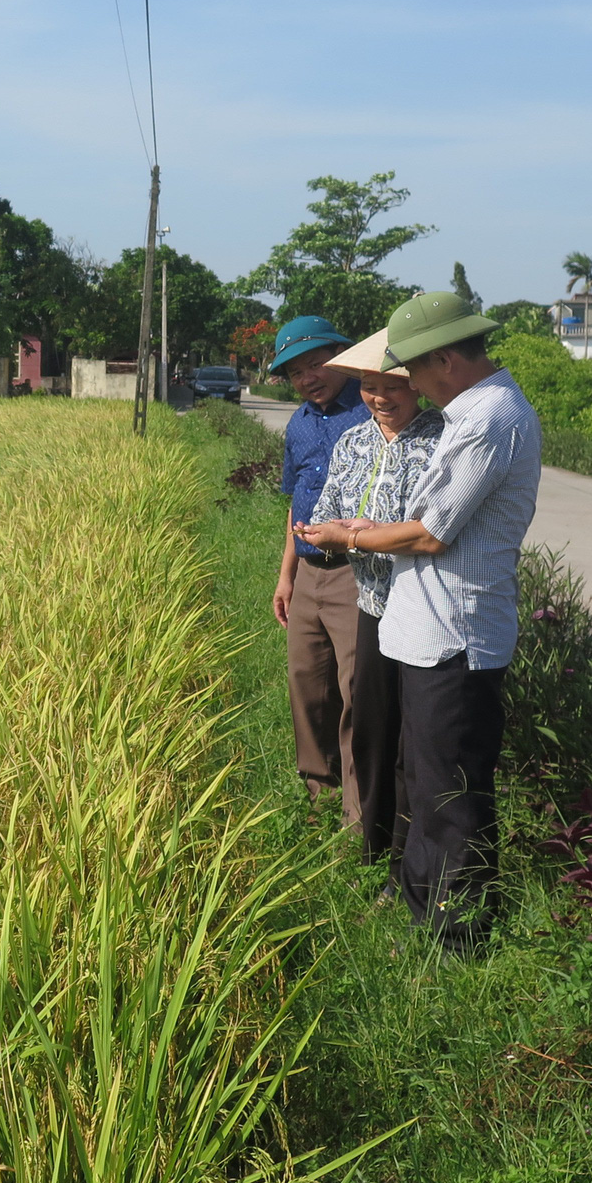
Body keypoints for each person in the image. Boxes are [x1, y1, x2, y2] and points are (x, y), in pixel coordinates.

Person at [298, 291, 540, 949]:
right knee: (417, 776)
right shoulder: (469, 413)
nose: (410, 387)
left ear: (443, 360)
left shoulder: (488, 419)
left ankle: (458, 938)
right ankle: (418, 906)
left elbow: (430, 533)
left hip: (455, 637)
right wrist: (366, 532)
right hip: (422, 631)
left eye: (413, 373)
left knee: (450, 795)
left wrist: (353, 536)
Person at [305, 330, 446, 867]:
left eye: (394, 385)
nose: (381, 396)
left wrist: (359, 532)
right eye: (369, 385)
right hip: (369, 604)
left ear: (419, 387)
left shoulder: (440, 441)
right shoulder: (353, 442)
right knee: (370, 727)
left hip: (421, 608)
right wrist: (323, 533)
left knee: (414, 740)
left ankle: (408, 857)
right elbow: (329, 508)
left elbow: (432, 527)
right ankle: (373, 845)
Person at [267, 315, 368, 824]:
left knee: (356, 693)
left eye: (317, 362)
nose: (309, 377)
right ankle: (317, 795)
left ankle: (358, 815)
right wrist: (286, 577)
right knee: (307, 685)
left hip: (357, 571)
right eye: (296, 371)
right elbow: (297, 505)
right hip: (308, 573)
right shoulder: (300, 423)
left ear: (342, 357)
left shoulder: (371, 411)